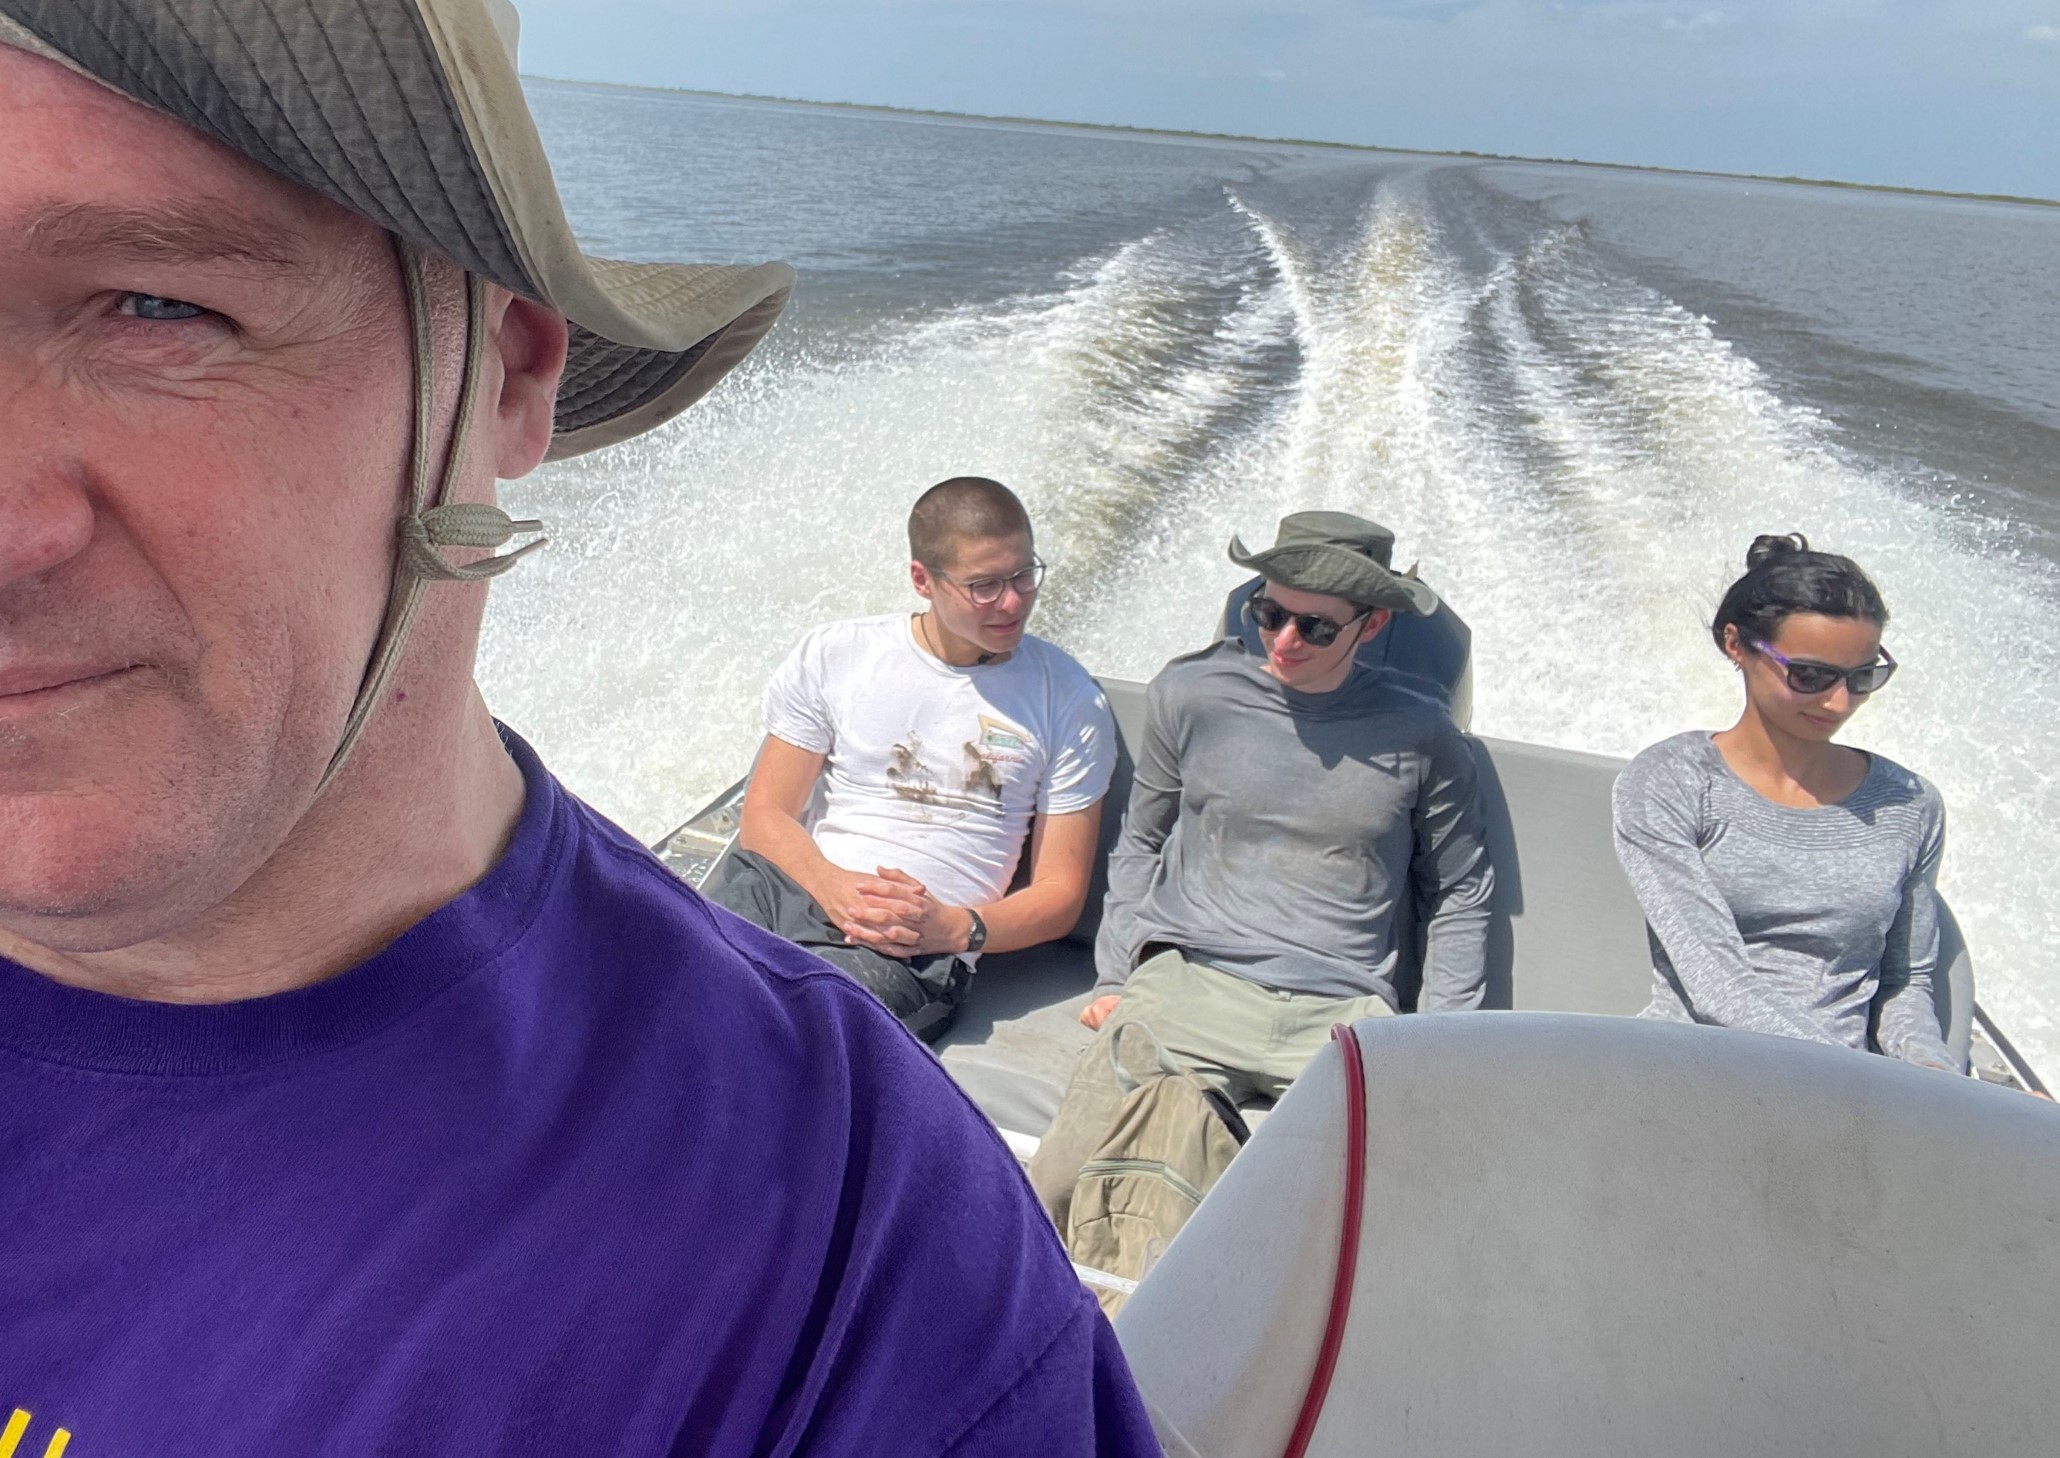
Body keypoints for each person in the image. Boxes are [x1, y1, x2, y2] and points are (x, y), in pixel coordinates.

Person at [0, 5, 1159, 1453]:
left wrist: (956, 932)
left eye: (156, 307)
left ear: (504, 377)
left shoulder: (842, 1248)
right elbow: (773, 819)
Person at [1028, 510, 1495, 1227]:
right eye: (1268, 612)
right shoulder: (1191, 695)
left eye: (1315, 627)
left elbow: (1461, 891)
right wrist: (1118, 978)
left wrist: (1437, 1039)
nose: (1282, 640)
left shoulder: (1423, 735)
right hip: (1189, 982)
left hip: (1340, 1006)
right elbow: (1142, 840)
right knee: (1056, 1189)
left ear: (1370, 627)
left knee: (1368, 1224)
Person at [705, 477, 1116, 1042]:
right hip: (785, 889)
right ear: (923, 579)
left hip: (910, 949)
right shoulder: (836, 654)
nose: (1014, 601)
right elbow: (765, 818)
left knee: (791, 1034)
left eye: (1024, 575)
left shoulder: (1068, 699)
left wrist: (956, 929)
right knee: (663, 983)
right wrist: (832, 885)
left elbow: (1061, 894)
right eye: (985, 585)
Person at [1612, 534, 1960, 1073]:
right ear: (1736, 645)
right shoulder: (1669, 781)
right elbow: (1715, 982)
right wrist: (1855, 1080)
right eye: (1811, 675)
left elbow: (1904, 985)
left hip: (1852, 1095)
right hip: (1690, 1071)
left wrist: (1937, 1082)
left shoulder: (1910, 806)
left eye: (1862, 677)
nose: (1839, 702)